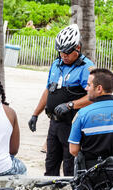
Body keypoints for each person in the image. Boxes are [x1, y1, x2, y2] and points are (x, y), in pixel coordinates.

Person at [28, 24, 94, 176]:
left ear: (77, 47)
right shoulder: (56, 64)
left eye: (67, 52)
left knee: (70, 164)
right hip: (55, 123)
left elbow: (93, 97)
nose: (63, 55)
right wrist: (35, 114)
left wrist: (71, 105)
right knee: (51, 162)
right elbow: (48, 90)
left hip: (72, 124)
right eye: (60, 51)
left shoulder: (87, 68)